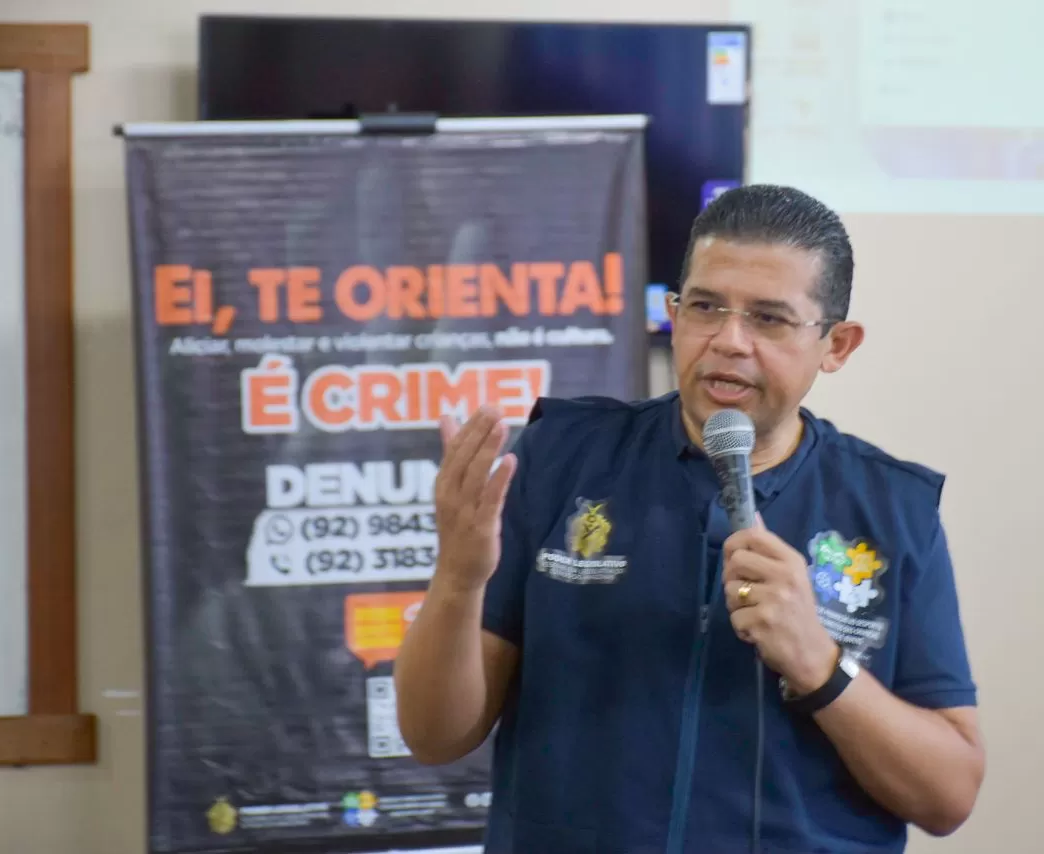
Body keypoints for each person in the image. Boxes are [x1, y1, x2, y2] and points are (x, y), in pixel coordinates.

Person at [395, 184, 985, 853]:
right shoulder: (563, 459)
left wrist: (820, 665)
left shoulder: (892, 509)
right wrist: (458, 579)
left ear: (837, 344)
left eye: (769, 319)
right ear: (675, 313)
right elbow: (433, 734)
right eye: (706, 307)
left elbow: (948, 795)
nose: (729, 342)